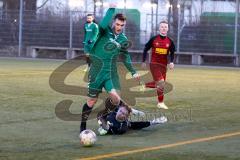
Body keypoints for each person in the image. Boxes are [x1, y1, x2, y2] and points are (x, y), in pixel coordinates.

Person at [80, 7, 140, 133]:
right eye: (117, 24)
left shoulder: (123, 39)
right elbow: (102, 24)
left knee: (116, 99)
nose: (119, 27)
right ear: (113, 22)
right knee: (91, 101)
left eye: (122, 25)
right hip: (96, 72)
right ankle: (83, 126)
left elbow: (125, 56)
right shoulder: (104, 31)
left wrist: (133, 71)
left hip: (109, 73)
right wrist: (111, 9)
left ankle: (102, 116)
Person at [142, 20, 175, 110]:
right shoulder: (154, 39)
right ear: (159, 28)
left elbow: (172, 52)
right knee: (161, 83)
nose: (164, 28)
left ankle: (146, 84)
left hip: (163, 66)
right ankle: (161, 103)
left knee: (161, 85)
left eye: (165, 27)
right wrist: (143, 61)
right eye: (162, 27)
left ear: (167, 29)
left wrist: (171, 62)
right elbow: (145, 49)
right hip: (154, 64)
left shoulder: (170, 41)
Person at [97, 98, 168, 135]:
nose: (121, 113)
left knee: (134, 125)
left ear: (126, 117)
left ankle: (153, 122)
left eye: (124, 114)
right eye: (120, 111)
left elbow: (109, 130)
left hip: (125, 126)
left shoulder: (121, 127)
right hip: (109, 121)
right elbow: (100, 115)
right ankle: (152, 122)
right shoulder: (115, 111)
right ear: (118, 110)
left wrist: (104, 127)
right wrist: (133, 111)